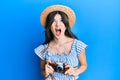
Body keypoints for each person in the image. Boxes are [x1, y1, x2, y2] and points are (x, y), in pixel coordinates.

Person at [34, 5, 88, 80]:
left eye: (61, 20)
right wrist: (45, 72)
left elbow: (84, 65)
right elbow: (42, 72)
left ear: (66, 25)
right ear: (49, 26)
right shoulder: (44, 49)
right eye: (53, 21)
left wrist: (75, 72)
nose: (57, 24)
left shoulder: (77, 45)